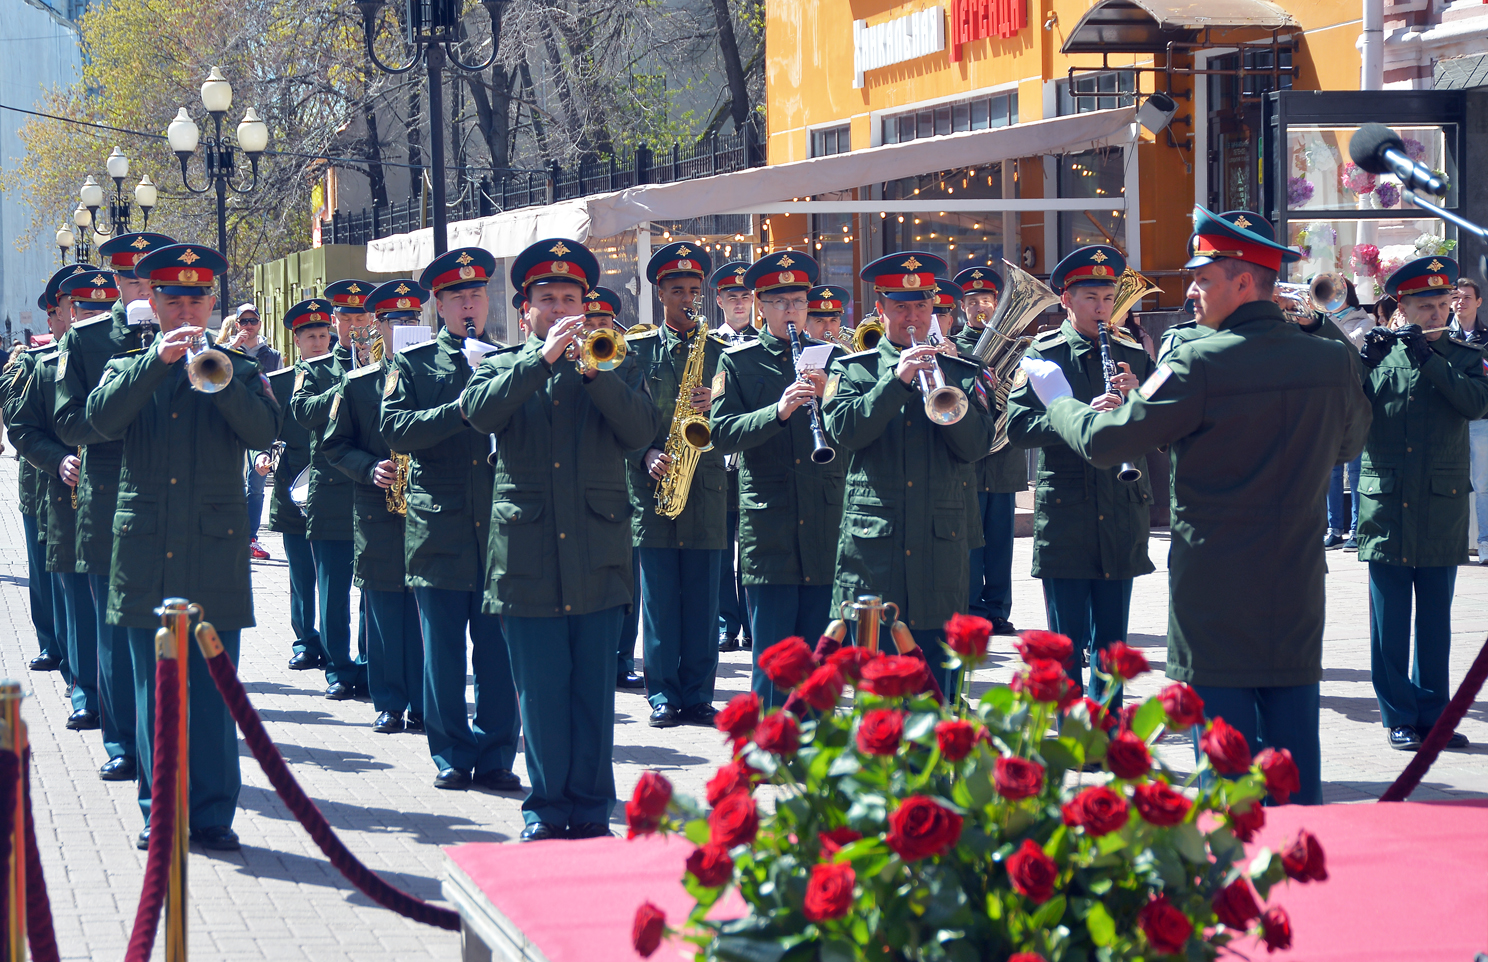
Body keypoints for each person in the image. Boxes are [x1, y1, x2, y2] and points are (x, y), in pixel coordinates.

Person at [1024, 207, 1371, 805]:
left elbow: (1107, 442)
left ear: (1243, 281)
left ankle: (1231, 881)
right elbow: (1348, 444)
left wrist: (1058, 399)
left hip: (1215, 586)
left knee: (1224, 760)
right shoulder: (1330, 359)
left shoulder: (1197, 361)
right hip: (1293, 576)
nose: (1190, 290)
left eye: (1203, 278)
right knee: (1293, 750)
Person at [86, 242, 282, 850]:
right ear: (154, 301)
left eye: (198, 298)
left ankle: (215, 814)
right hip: (146, 550)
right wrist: (155, 365)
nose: (187, 308)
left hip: (214, 550)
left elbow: (267, 431)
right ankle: (160, 811)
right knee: (156, 695)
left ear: (212, 301)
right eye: (174, 299)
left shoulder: (238, 369)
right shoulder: (125, 367)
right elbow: (98, 421)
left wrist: (216, 376)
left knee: (215, 692)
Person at [462, 239, 660, 841]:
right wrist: (539, 362)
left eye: (570, 299)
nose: (560, 309)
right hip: (527, 558)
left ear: (589, 305)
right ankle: (547, 808)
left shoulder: (616, 364)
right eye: (546, 300)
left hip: (597, 555)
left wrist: (593, 372)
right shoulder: (500, 364)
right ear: (525, 311)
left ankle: (592, 807)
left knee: (593, 693)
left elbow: (639, 429)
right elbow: (479, 414)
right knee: (542, 693)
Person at [380, 246, 522, 792]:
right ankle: (450, 754)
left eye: (477, 294)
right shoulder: (412, 365)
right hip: (439, 526)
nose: (470, 304)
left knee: (497, 654)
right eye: (458, 296)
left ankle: (496, 756)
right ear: (437, 305)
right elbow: (396, 430)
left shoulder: (509, 360)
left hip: (499, 528)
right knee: (441, 653)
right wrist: (461, 406)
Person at [823, 251, 995, 698]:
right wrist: (894, 384)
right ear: (881, 309)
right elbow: (844, 433)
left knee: (939, 687)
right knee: (876, 688)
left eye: (922, 306)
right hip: (874, 553)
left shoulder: (961, 371)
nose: (913, 317)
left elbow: (977, 447)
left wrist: (946, 393)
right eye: (902, 307)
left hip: (939, 552)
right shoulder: (851, 369)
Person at [1007, 246, 1155, 706]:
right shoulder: (1042, 357)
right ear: (1066, 300)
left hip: (1121, 505)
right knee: (1065, 643)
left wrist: (1139, 403)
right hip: (1067, 514)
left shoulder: (1132, 354)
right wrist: (1075, 416)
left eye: (1108, 298)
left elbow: (1167, 432)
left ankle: (1107, 731)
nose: (1102, 308)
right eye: (1091, 297)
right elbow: (1016, 428)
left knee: (1113, 647)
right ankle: (1070, 734)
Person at [54, 232, 176, 781]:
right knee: (115, 625)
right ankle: (124, 740)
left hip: (175, 496)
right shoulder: (86, 341)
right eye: (127, 279)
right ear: (113, 285)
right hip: (109, 497)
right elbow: (69, 421)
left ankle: (171, 738)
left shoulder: (191, 338)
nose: (135, 289)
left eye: (145, 280)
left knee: (169, 627)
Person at [1356, 256, 1488, 751]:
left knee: (1435, 623)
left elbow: (1477, 404)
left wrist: (1430, 360)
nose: (1435, 315)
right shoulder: (1379, 355)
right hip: (1386, 507)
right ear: (1400, 307)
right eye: (1423, 306)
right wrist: (1362, 362)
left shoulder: (1464, 354)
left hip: (1440, 505)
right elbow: (1344, 409)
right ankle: (1397, 715)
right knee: (1389, 623)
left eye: (1441, 305)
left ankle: (1435, 718)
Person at [712, 251, 846, 708]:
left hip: (826, 523)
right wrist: (778, 411)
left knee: (822, 656)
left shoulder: (837, 360)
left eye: (798, 300)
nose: (791, 309)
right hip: (768, 527)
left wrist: (831, 398)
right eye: (780, 301)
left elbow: (861, 430)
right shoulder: (738, 362)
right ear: (761, 306)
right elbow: (721, 432)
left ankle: (817, 754)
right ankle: (772, 747)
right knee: (773, 658)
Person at [626, 243, 730, 728]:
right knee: (661, 599)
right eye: (677, 290)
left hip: (706, 487)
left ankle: (699, 693)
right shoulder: (637, 350)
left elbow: (743, 418)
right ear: (660, 293)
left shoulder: (725, 352)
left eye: (694, 290)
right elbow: (621, 419)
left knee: (704, 598)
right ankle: (662, 694)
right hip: (655, 484)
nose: (688, 298)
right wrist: (643, 453)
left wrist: (719, 404)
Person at [322, 280, 429, 735]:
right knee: (384, 608)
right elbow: (335, 445)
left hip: (431, 508)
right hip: (378, 510)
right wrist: (369, 469)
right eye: (393, 321)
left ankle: (427, 702)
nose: (404, 328)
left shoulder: (436, 375)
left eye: (411, 320)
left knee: (428, 612)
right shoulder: (359, 383)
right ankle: (388, 701)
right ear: (376, 327)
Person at [12, 270, 115, 734]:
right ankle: (86, 694)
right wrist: (57, 462)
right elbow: (23, 428)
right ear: (68, 312)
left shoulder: (136, 356)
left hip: (126, 501)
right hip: (69, 500)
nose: (93, 317)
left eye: (101, 308)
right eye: (84, 309)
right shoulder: (45, 363)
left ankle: (123, 701)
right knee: (77, 602)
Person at [290, 280, 370, 700]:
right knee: (334, 591)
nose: (355, 324)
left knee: (372, 590)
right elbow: (302, 411)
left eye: (362, 316)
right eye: (347, 317)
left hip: (375, 492)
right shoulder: (315, 368)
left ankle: (372, 664)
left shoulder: (388, 363)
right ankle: (339, 667)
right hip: (333, 493)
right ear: (335, 321)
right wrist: (347, 385)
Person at [953, 266, 1025, 636]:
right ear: (962, 307)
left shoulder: (1016, 346)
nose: (980, 307)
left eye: (986, 301)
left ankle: (998, 609)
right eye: (972, 301)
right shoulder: (953, 347)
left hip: (1004, 457)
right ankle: (971, 607)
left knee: (1001, 541)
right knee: (970, 539)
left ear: (997, 305)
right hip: (969, 458)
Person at [582, 287, 648, 691]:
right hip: (589, 478)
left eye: (603, 323)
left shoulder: (627, 360)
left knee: (625, 578)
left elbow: (639, 421)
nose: (596, 330)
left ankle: (623, 658)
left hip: (623, 485)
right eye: (589, 323)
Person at [262, 357, 323, 672]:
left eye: (322, 334)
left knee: (333, 580)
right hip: (293, 487)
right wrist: (261, 454)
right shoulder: (283, 381)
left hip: (336, 487)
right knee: (301, 577)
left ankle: (334, 645)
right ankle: (306, 643)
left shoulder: (348, 372)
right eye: (309, 336)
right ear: (297, 341)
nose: (317, 342)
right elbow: (264, 428)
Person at [709, 262, 755, 657]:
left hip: (755, 461)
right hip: (720, 464)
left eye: (745, 296)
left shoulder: (767, 342)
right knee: (723, 550)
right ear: (720, 300)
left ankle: (754, 623)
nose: (740, 303)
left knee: (754, 548)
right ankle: (727, 623)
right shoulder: (706, 344)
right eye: (732, 297)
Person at [1317, 280, 1373, 550]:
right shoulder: (1319, 321)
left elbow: (1350, 346)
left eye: (1332, 293)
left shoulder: (1365, 321)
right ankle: (1334, 527)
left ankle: (1357, 529)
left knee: (1356, 469)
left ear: (1346, 295)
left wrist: (1323, 323)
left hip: (1353, 402)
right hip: (1328, 402)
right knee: (1331, 471)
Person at [223, 302, 281, 560]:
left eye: (252, 321)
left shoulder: (273, 355)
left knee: (256, 483)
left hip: (258, 424)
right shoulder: (224, 352)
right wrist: (232, 348)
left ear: (260, 323)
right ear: (236, 325)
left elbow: (277, 393)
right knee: (227, 481)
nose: (248, 326)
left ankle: (250, 538)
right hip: (228, 423)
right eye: (243, 321)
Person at [1451, 279, 1488, 563]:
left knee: (1482, 484)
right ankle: (1455, 543)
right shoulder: (1440, 334)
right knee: (1450, 482)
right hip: (1449, 419)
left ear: (1479, 301)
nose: (1460, 301)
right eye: (1456, 297)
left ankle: (1485, 543)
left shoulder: (1486, 337)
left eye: (1466, 297)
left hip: (1480, 420)